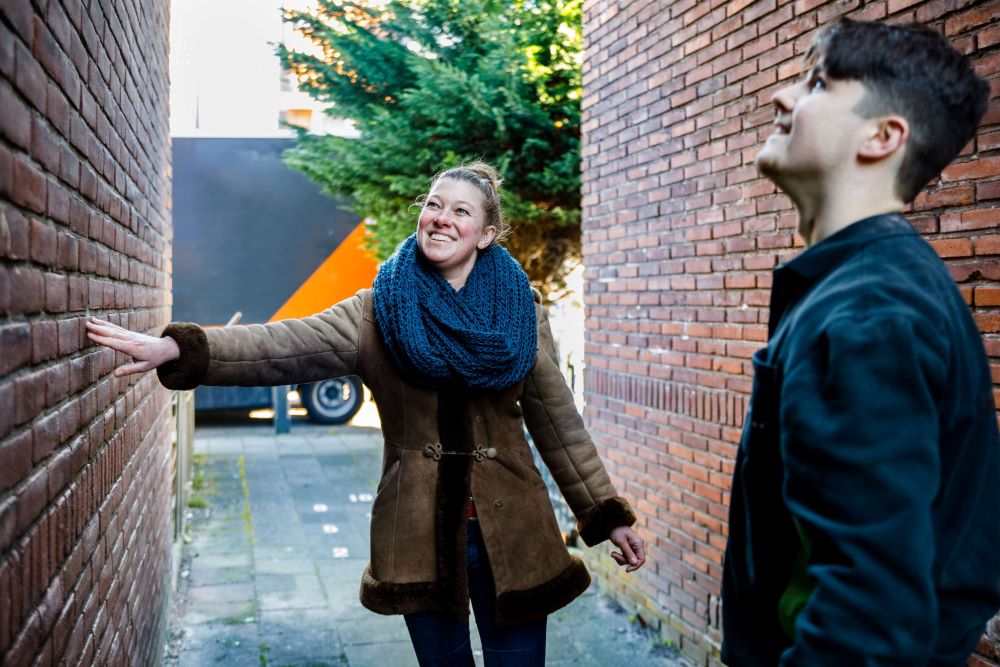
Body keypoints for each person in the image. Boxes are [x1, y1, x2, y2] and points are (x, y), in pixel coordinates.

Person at [87, 161, 646, 666]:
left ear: (487, 233)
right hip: (419, 533)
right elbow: (281, 346)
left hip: (518, 532)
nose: (441, 218)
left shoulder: (522, 313)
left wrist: (606, 514)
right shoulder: (378, 311)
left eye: (461, 211)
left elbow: (560, 424)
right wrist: (181, 350)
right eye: (433, 204)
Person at [721, 18, 1000, 666]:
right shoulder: (869, 285)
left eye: (816, 83)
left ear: (882, 137)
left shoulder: (869, 312)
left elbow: (870, 619)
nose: (781, 98)